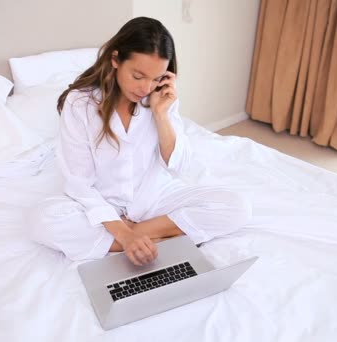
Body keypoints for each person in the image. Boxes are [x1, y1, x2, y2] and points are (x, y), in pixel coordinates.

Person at [27, 17, 252, 266]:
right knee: (42, 221)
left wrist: (160, 114)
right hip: (104, 202)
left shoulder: (160, 98)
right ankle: (150, 239)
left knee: (236, 206)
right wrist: (122, 233)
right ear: (115, 60)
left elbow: (179, 165)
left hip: (153, 196)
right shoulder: (80, 103)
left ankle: (136, 238)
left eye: (155, 78)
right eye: (138, 76)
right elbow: (79, 183)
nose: (146, 88)